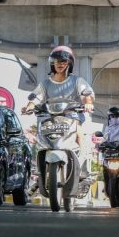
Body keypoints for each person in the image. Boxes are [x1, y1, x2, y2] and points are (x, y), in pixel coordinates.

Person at [22, 45, 95, 193]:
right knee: (41, 141)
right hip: (49, 120)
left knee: (80, 137)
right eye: (57, 61)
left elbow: (86, 94)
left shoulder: (77, 81)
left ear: (69, 63)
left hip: (72, 118)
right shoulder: (46, 83)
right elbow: (36, 97)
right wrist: (29, 106)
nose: (60, 64)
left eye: (63, 61)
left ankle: (84, 171)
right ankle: (40, 174)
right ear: (52, 64)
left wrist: (88, 103)